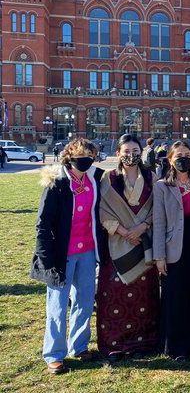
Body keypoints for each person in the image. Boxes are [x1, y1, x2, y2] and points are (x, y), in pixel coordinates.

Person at [30, 138, 103, 374]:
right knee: (57, 305)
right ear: (70, 156)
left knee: (84, 301)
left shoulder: (94, 179)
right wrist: (44, 256)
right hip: (62, 253)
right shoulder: (57, 182)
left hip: (88, 251)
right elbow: (43, 224)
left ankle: (79, 346)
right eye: (82, 155)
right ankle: (54, 354)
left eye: (90, 156)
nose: (87, 160)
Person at [97, 134, 159, 360]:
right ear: (118, 153)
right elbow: (102, 210)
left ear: (141, 152)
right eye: (126, 151)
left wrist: (141, 228)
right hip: (117, 243)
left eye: (135, 151)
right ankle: (115, 344)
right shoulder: (108, 178)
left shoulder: (151, 177)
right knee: (115, 293)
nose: (131, 155)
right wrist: (125, 232)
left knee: (144, 295)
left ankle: (145, 343)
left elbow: (157, 208)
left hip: (144, 243)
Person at [153, 141, 190, 361]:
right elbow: (158, 222)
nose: (183, 158)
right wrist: (159, 256)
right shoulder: (162, 186)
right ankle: (177, 346)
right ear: (170, 160)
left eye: (187, 154)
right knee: (175, 296)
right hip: (173, 245)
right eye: (178, 155)